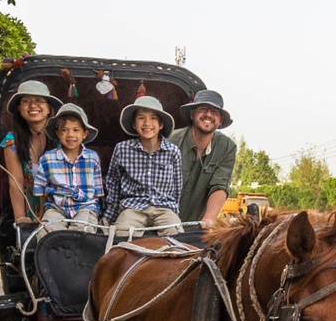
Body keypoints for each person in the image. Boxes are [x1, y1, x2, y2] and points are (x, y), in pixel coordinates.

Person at [102, 96, 183, 234]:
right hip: (132, 208)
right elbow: (113, 183)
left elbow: (177, 188)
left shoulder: (172, 151)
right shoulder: (122, 149)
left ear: (161, 124)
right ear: (134, 124)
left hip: (164, 209)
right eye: (141, 118)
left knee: (177, 237)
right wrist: (110, 216)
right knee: (120, 236)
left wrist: (174, 211)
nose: (147, 123)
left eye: (153, 118)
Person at [32, 103, 104, 234]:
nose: (70, 135)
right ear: (58, 134)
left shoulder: (93, 158)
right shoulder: (48, 159)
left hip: (85, 207)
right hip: (57, 208)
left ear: (84, 133)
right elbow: (41, 191)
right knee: (46, 233)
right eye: (64, 130)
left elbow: (97, 193)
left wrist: (96, 214)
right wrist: (42, 215)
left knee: (83, 233)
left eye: (76, 130)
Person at [169, 89, 237, 225]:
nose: (208, 115)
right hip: (162, 222)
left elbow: (220, 186)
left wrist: (208, 220)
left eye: (215, 112)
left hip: (195, 226)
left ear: (220, 121)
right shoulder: (171, 141)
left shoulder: (227, 147)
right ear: (192, 114)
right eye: (203, 109)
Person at [1, 80, 62, 224]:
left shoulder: (63, 139)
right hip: (29, 207)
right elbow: (16, 182)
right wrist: (21, 219)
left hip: (59, 208)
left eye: (39, 101)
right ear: (19, 109)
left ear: (48, 108)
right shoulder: (12, 141)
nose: (33, 105)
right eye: (26, 101)